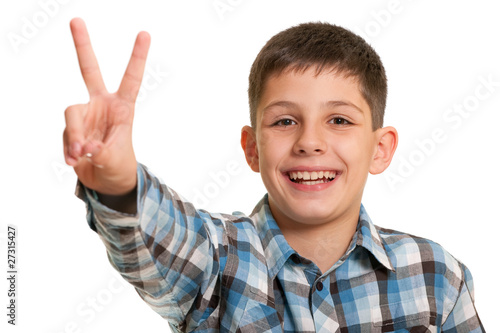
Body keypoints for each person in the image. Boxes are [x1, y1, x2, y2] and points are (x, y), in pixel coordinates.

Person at [63, 17, 484, 332]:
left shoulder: (437, 277)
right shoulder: (217, 261)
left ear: (380, 148)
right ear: (252, 149)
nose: (310, 142)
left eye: (339, 120)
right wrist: (116, 179)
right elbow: (156, 234)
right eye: (285, 122)